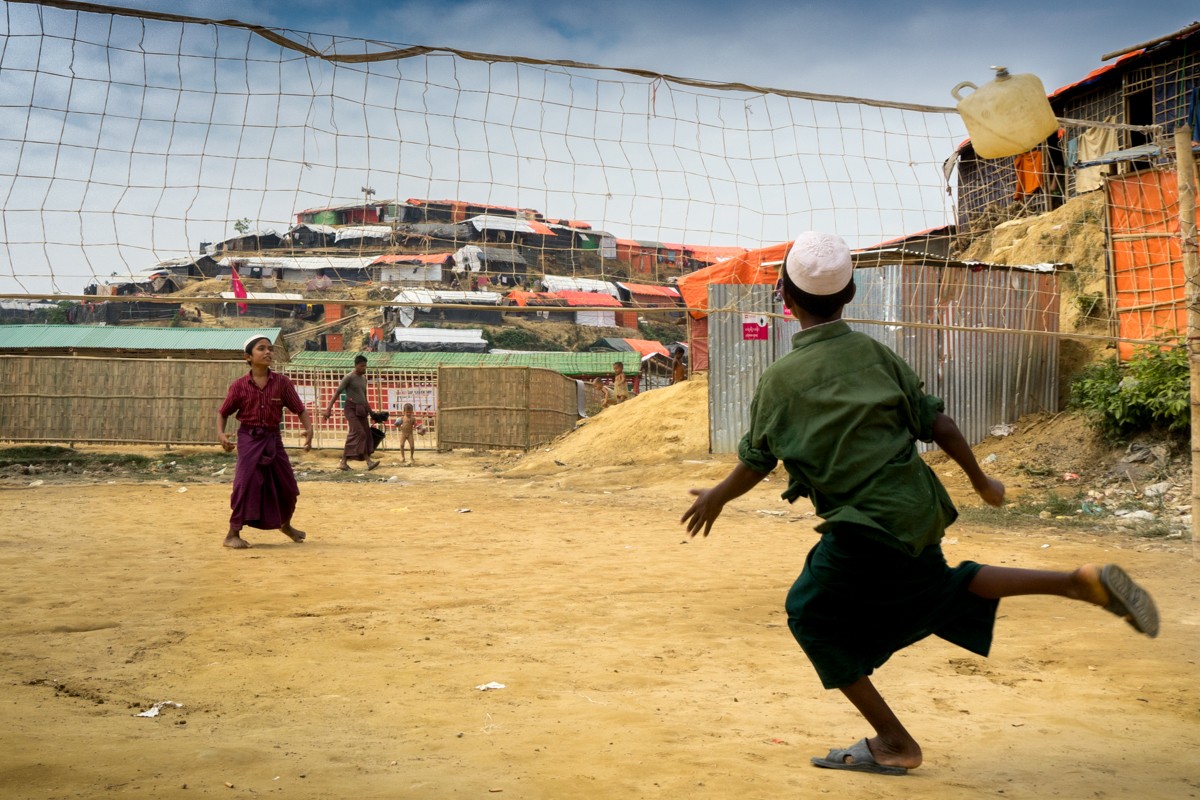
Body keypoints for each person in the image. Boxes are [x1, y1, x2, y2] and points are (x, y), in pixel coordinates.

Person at [680, 231, 1159, 776]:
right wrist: (980, 481)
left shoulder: (781, 380)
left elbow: (757, 459)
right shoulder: (875, 355)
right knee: (938, 588)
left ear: (782, 296)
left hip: (865, 523)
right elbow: (939, 422)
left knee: (811, 618)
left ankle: (894, 742)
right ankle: (1078, 582)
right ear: (852, 293)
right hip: (917, 507)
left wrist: (718, 496)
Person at [217, 335, 314, 549]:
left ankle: (285, 524)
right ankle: (233, 533)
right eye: (261, 349)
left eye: (270, 348)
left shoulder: (282, 383)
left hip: (273, 439)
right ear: (248, 357)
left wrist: (309, 429)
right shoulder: (239, 386)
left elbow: (299, 408)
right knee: (245, 484)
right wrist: (222, 435)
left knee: (288, 487)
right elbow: (223, 413)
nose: (268, 352)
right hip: (248, 438)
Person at [322, 354, 380, 471]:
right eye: (362, 366)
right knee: (360, 434)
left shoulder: (364, 379)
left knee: (365, 434)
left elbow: (365, 398)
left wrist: (372, 413)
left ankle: (345, 462)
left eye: (365, 366)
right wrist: (328, 409)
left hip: (361, 410)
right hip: (350, 409)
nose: (364, 368)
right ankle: (367, 461)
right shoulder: (348, 377)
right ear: (356, 365)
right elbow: (337, 393)